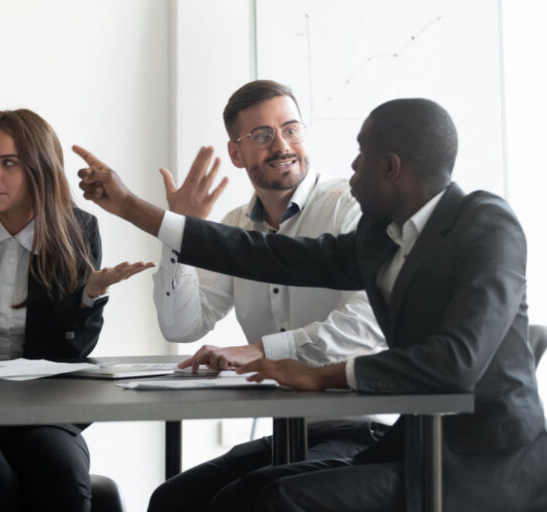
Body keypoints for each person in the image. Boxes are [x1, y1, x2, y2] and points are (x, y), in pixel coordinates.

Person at [75, 97, 547, 511]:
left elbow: (457, 362)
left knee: (280, 499)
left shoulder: (487, 224)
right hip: (416, 444)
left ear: (391, 167)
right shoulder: (379, 237)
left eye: (362, 153)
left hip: (488, 463)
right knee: (226, 495)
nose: (353, 165)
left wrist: (321, 373)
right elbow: (266, 254)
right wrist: (131, 207)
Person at [148, 80, 387, 511]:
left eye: (291, 129)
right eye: (262, 135)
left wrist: (260, 351)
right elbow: (182, 324)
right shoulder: (235, 226)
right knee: (173, 499)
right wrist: (178, 235)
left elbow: (368, 325)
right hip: (289, 431)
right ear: (236, 154)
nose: (281, 145)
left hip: (361, 430)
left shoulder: (348, 208)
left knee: (243, 501)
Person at [0, 109, 151, 512]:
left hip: (40, 415)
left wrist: (87, 297)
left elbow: (69, 357)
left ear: (40, 170)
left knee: (63, 478)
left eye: (9, 163)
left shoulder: (76, 230)